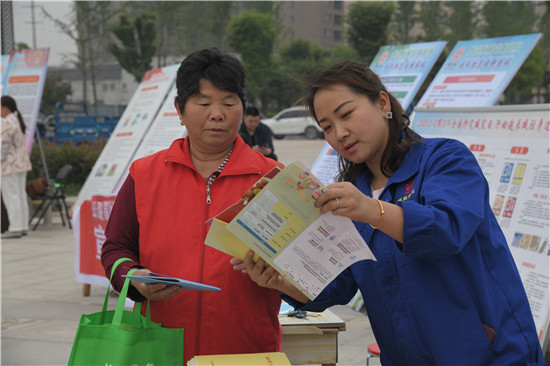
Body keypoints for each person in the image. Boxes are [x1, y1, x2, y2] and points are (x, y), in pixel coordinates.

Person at [233, 60, 545, 365]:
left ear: (382, 102)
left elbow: (446, 230)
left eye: (347, 114)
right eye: (327, 126)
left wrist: (370, 210)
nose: (339, 133)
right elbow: (338, 284)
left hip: (490, 355)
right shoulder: (354, 194)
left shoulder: (445, 159)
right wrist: (278, 279)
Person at [101, 48, 283, 363]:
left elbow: (306, 270)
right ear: (179, 110)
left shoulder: (271, 178)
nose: (218, 114)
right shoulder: (144, 174)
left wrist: (280, 276)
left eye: (229, 103)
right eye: (204, 103)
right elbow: (116, 248)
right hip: (159, 347)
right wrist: (134, 278)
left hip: (246, 350)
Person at [1, 96, 31, 239]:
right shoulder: (17, 120)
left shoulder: (7, 122)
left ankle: (14, 228)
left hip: (9, 165)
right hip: (21, 162)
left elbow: (2, 145)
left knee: (11, 196)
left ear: (5, 107)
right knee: (20, 195)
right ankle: (22, 226)